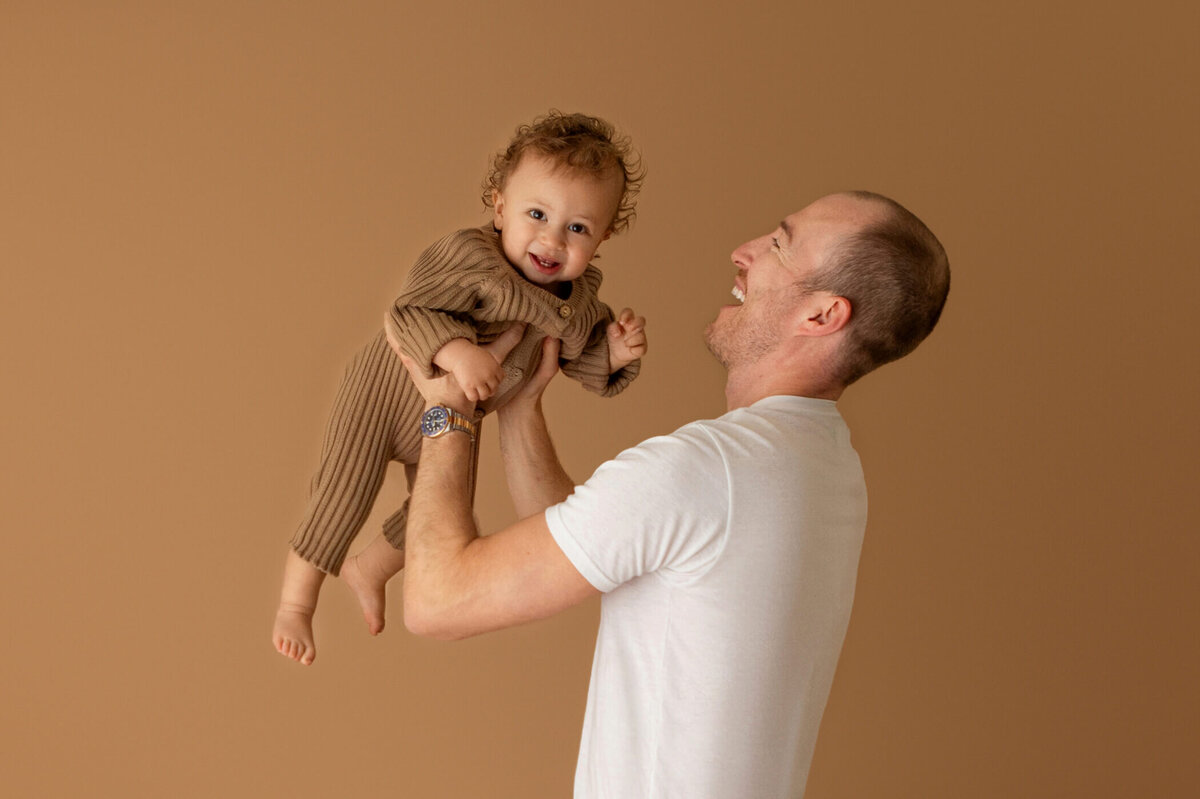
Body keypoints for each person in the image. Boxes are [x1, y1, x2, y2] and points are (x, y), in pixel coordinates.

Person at [392, 190, 950, 797]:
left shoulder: (707, 470)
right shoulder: (825, 468)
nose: (744, 251)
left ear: (822, 315)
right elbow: (585, 544)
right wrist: (523, 410)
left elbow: (437, 602)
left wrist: (447, 412)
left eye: (779, 246)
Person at [272, 111, 648, 666]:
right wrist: (457, 353)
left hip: (457, 418)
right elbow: (407, 311)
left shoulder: (578, 300)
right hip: (383, 393)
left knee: (447, 515)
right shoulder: (472, 259)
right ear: (499, 207)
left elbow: (574, 352)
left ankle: (369, 566)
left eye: (578, 228)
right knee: (342, 491)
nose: (551, 240)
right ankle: (295, 603)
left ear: (604, 235)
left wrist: (611, 352)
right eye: (537, 214)